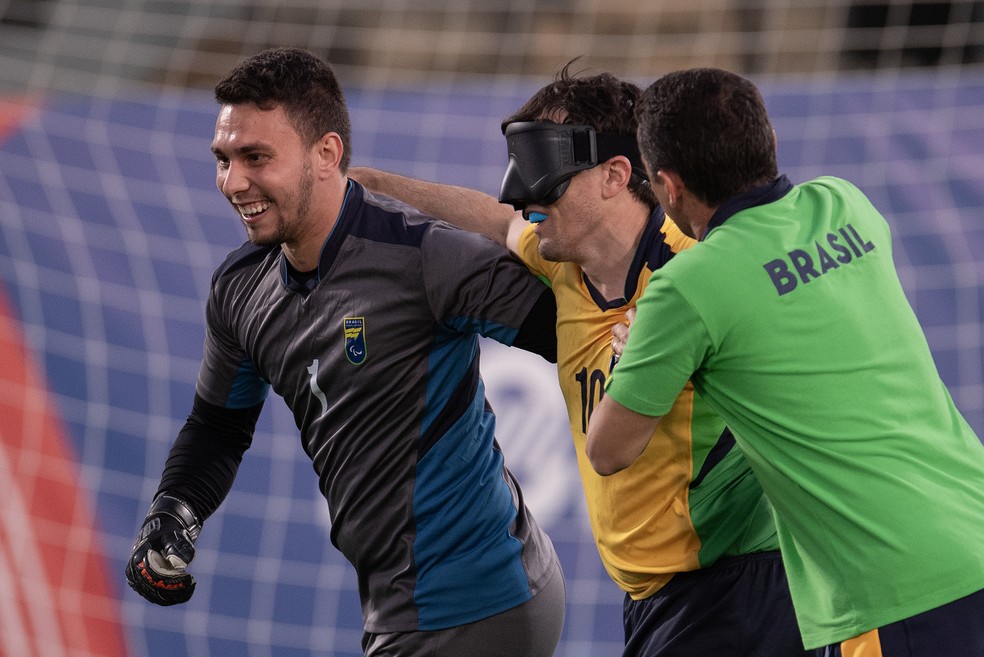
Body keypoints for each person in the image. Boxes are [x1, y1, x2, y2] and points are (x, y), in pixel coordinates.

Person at [352, 64, 809, 657]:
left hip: (741, 585)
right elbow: (494, 219)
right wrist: (367, 185)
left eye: (546, 168)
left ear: (618, 175)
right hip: (653, 599)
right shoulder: (561, 259)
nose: (523, 193)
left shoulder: (701, 272)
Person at [123, 47, 566, 657]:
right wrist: (173, 512)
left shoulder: (421, 256)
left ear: (326, 154)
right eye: (223, 160)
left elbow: (570, 330)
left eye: (256, 158)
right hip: (402, 604)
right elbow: (218, 427)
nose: (233, 182)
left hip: (479, 597)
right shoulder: (239, 290)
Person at [586, 66, 984, 657]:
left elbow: (608, 450)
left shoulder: (686, 289)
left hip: (896, 589)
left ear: (666, 186)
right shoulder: (847, 203)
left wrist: (646, 345)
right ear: (767, 142)